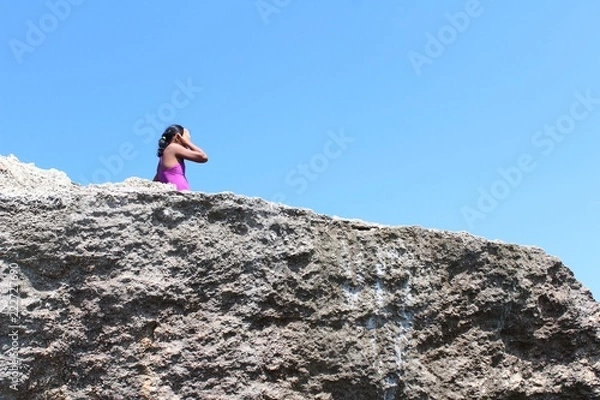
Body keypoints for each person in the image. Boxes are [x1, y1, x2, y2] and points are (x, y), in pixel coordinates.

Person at [153, 124, 208, 191]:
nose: (188, 139)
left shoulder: (163, 159)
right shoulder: (173, 147)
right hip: (180, 193)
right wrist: (187, 142)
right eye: (187, 137)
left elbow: (155, 182)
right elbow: (203, 157)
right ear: (178, 137)